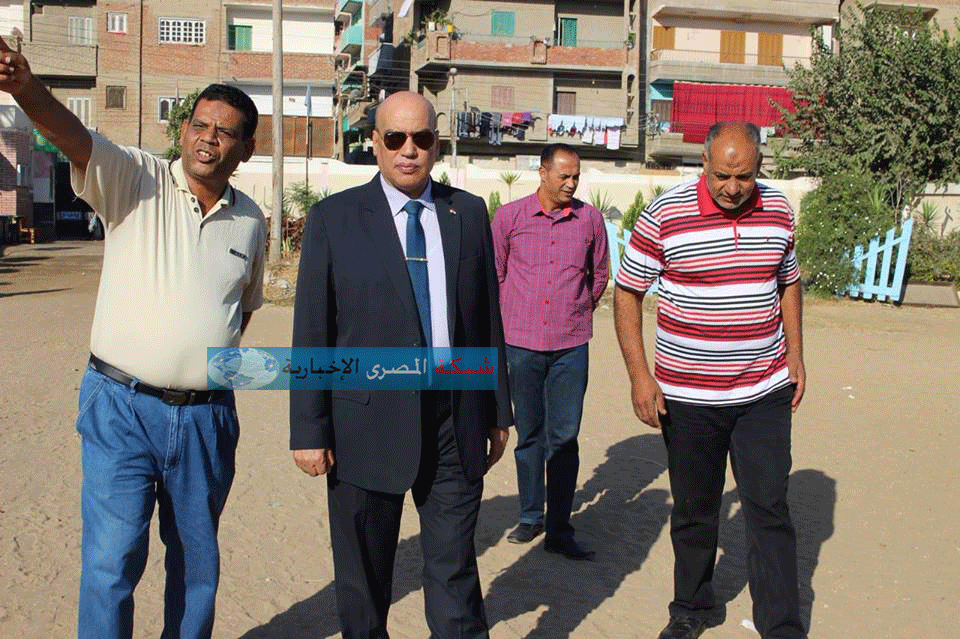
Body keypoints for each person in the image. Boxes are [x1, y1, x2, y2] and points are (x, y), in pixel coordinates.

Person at [0, 38, 265, 639]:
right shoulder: (135, 178)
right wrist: (24, 88)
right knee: (111, 561)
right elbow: (73, 136)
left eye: (225, 132)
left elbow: (239, 312)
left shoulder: (251, 220)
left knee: (196, 567)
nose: (208, 139)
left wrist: (199, 365)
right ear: (185, 131)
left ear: (245, 149)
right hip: (120, 406)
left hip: (206, 419)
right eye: (199, 125)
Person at [290, 91, 512, 639]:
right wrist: (309, 430)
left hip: (454, 419)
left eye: (421, 138)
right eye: (395, 138)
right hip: (366, 422)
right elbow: (313, 331)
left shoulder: (468, 213)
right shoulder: (334, 219)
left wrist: (496, 410)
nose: (408, 150)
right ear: (375, 142)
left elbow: (485, 317)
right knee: (364, 583)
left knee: (455, 573)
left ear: (436, 143)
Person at [614, 122, 806, 639]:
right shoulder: (665, 214)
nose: (733, 187)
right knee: (695, 510)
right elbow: (628, 292)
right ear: (703, 163)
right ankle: (692, 608)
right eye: (722, 175)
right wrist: (639, 376)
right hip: (688, 396)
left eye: (744, 176)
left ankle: (781, 625)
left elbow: (789, 282)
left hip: (764, 389)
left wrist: (796, 355)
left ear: (759, 166)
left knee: (769, 507)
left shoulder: (779, 209)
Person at [490, 143, 609, 559]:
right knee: (529, 434)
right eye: (564, 176)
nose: (571, 183)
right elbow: (496, 274)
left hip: (570, 346)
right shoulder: (509, 218)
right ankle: (530, 517)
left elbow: (599, 276)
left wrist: (573, 310)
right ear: (542, 173)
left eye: (576, 176)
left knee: (565, 437)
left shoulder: (590, 220)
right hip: (520, 345)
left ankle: (559, 527)